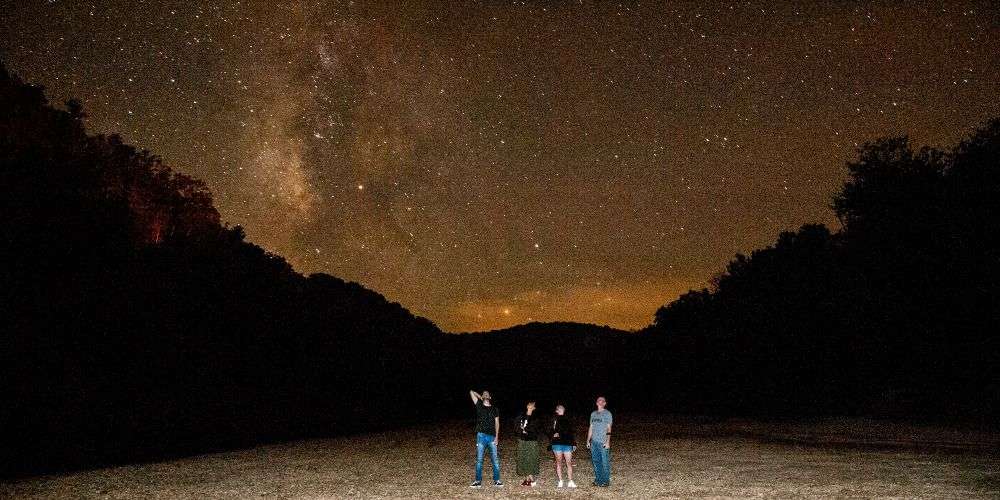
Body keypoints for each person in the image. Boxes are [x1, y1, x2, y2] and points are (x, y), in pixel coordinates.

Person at [469, 390, 503, 488]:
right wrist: (481, 397)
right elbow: (471, 392)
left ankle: (497, 480)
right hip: (481, 436)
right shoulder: (479, 405)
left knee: (495, 460)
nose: (485, 394)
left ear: (490, 397)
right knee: (479, 460)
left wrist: (497, 436)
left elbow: (497, 423)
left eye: (487, 394)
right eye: (484, 394)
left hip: (492, 436)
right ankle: (477, 481)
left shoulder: (494, 409)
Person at [587, 396, 613, 487]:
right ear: (596, 403)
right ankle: (598, 480)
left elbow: (609, 428)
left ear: (605, 403)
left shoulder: (607, 414)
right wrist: (588, 440)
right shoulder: (593, 414)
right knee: (596, 461)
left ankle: (606, 481)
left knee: (605, 462)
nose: (600, 402)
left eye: (602, 401)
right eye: (599, 400)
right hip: (594, 442)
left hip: (603, 441)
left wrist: (608, 441)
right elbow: (591, 427)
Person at [549, 403, 577, 488]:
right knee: (559, 462)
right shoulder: (553, 419)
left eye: (562, 408)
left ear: (564, 410)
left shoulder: (568, 419)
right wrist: (552, 434)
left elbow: (572, 431)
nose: (561, 409)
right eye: (559, 408)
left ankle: (570, 481)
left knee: (569, 462)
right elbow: (549, 429)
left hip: (567, 443)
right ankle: (560, 480)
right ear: (556, 410)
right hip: (557, 444)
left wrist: (574, 443)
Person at [515, 400, 541, 487]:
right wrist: (521, 431)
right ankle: (527, 479)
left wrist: (526, 430)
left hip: (531, 441)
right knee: (523, 458)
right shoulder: (521, 416)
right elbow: (516, 427)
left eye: (532, 405)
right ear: (527, 406)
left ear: (534, 408)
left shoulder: (536, 418)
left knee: (531, 459)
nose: (530, 405)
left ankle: (532, 480)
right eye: (529, 404)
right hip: (522, 440)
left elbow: (536, 429)